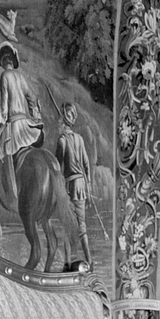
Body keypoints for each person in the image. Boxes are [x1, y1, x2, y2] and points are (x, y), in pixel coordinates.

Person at [0, 42, 43, 200]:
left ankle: (10, 191)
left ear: (4, 62)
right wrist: (35, 116)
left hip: (14, 127)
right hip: (27, 124)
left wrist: (1, 122)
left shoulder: (4, 76)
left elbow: (4, 103)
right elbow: (33, 98)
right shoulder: (21, 77)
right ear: (12, 61)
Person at [54, 101, 92, 264]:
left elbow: (57, 168)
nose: (58, 123)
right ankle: (89, 261)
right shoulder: (80, 139)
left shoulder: (62, 141)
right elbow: (86, 165)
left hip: (70, 186)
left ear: (63, 121)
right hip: (82, 185)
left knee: (67, 225)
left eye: (60, 120)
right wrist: (88, 186)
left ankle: (68, 262)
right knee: (81, 226)